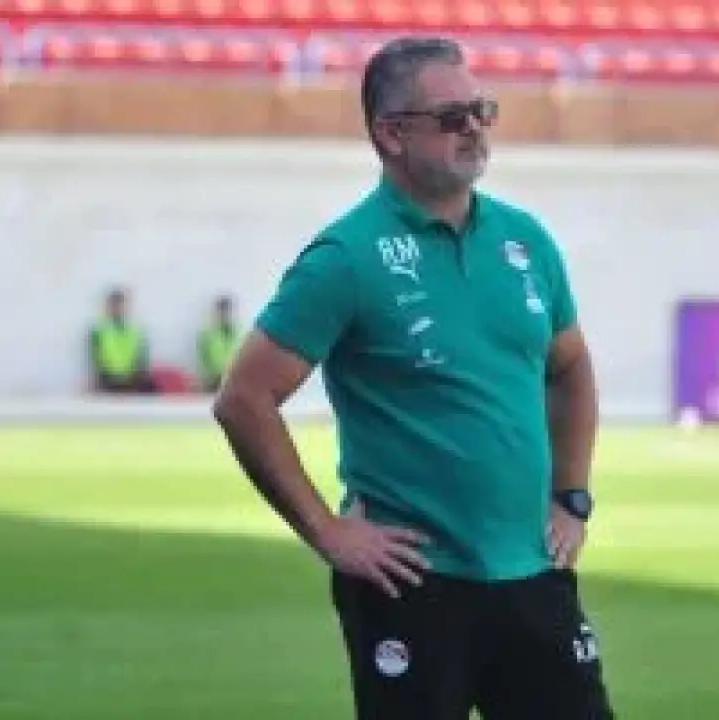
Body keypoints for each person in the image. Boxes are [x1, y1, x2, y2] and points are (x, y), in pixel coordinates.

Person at [212, 35, 614, 720]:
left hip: (532, 572)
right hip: (413, 584)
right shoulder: (346, 257)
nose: (474, 129)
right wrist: (327, 532)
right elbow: (244, 398)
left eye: (482, 110)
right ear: (390, 133)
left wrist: (571, 497)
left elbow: (570, 366)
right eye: (452, 117)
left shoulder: (525, 241)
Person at [88, 286, 155, 393]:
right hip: (108, 380)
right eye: (115, 305)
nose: (118, 309)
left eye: (121, 305)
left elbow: (142, 359)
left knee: (151, 388)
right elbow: (97, 361)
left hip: (132, 379)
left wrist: (137, 375)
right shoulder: (99, 331)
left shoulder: (135, 331)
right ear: (108, 307)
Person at [197, 294, 241, 392]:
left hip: (234, 380)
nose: (225, 315)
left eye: (227, 311)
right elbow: (206, 364)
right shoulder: (207, 335)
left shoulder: (239, 334)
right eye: (222, 311)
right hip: (214, 381)